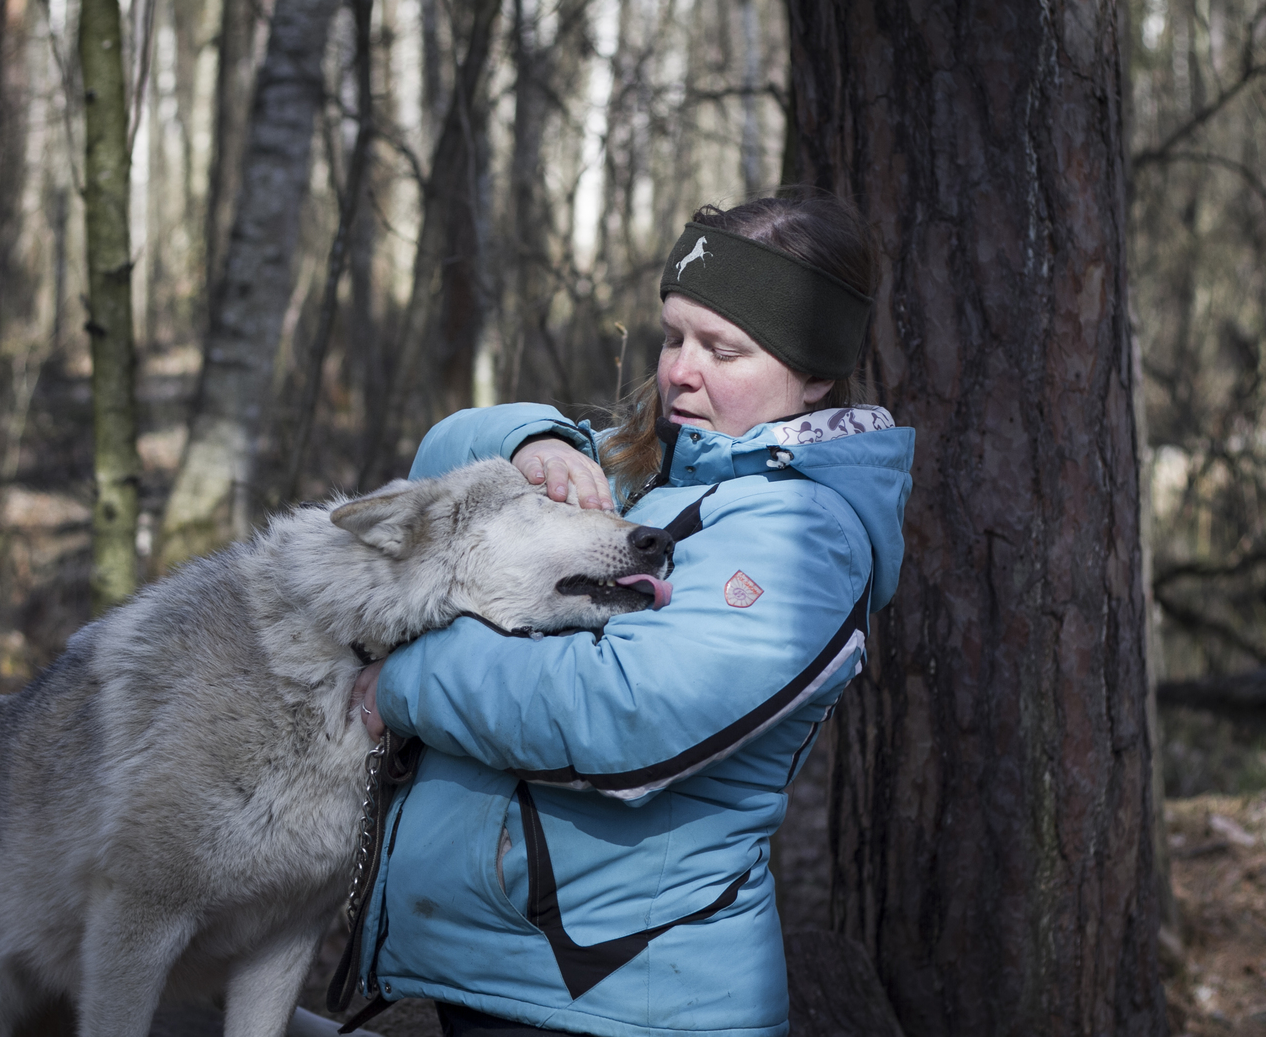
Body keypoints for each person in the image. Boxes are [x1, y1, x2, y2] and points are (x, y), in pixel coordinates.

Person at [346, 192, 914, 1037]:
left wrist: (406, 681)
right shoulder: (649, 468)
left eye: (724, 348)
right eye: (674, 335)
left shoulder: (804, 536)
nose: (680, 370)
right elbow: (437, 477)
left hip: (621, 994)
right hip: (524, 973)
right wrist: (531, 441)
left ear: (816, 376)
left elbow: (624, 715)